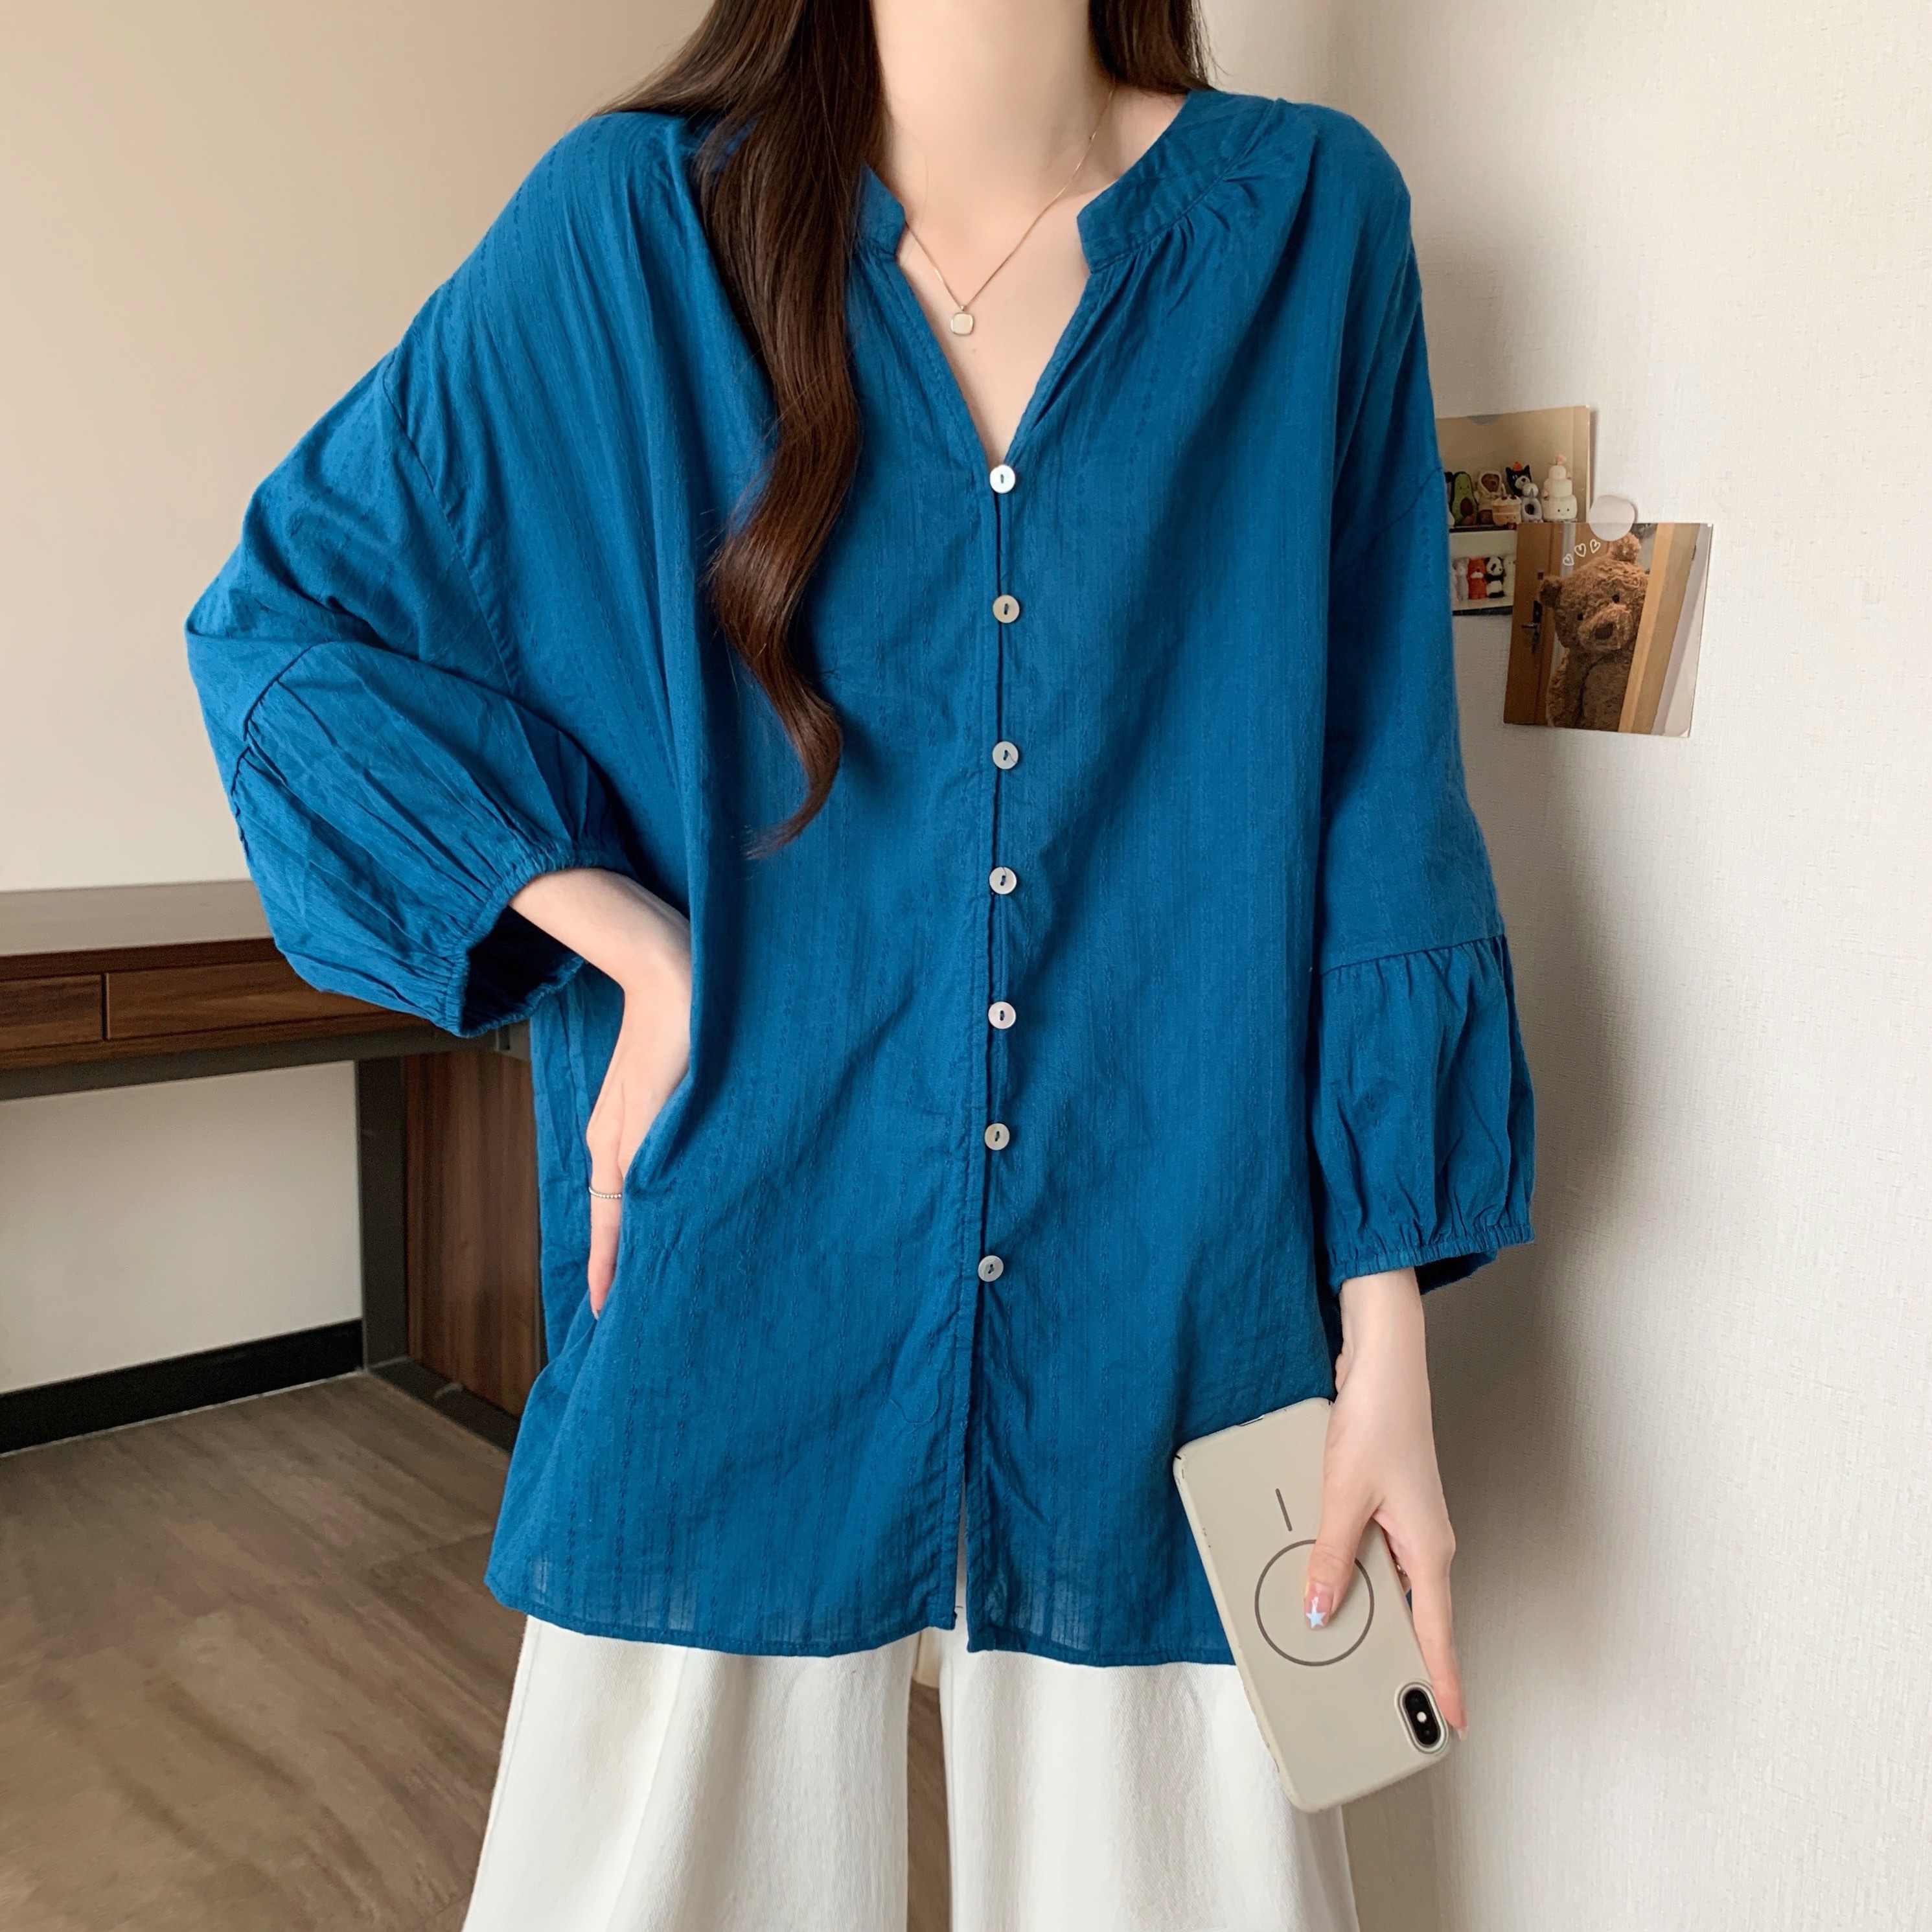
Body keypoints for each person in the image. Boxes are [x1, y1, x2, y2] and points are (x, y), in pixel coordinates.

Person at [184, 0, 1535, 1924]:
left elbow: (1380, 795)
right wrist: (635, 947)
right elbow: (285, 632)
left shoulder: (1313, 227)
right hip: (733, 1249)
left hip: (1179, 1281)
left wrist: (1382, 1331)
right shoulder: (628, 231)